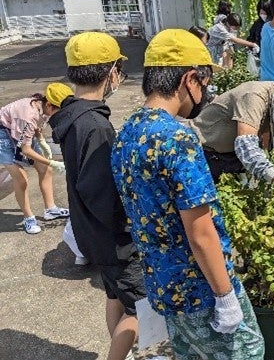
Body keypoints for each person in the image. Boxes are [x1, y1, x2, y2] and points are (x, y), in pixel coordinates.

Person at [110, 28, 265, 360]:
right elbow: (200, 231)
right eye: (206, 82)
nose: (206, 91)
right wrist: (225, 297)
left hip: (163, 285)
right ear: (191, 79)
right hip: (201, 289)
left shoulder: (127, 133)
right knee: (249, 352)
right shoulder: (177, 139)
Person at [49, 32, 146, 360]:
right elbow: (103, 193)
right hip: (115, 238)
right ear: (112, 72)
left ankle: (124, 351)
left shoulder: (73, 116)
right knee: (141, 308)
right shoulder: (96, 127)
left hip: (92, 232)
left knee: (115, 296)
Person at [192, 77, 274, 182]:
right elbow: (246, 145)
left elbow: (264, 143)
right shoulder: (254, 96)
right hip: (201, 151)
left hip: (229, 154)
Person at [0, 84, 70, 234]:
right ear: (50, 104)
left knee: (45, 168)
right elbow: (26, 150)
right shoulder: (28, 114)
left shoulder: (42, 105)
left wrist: (42, 142)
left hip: (18, 131)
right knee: (21, 179)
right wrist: (54, 161)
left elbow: (36, 128)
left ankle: (51, 209)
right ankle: (28, 218)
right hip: (3, 134)